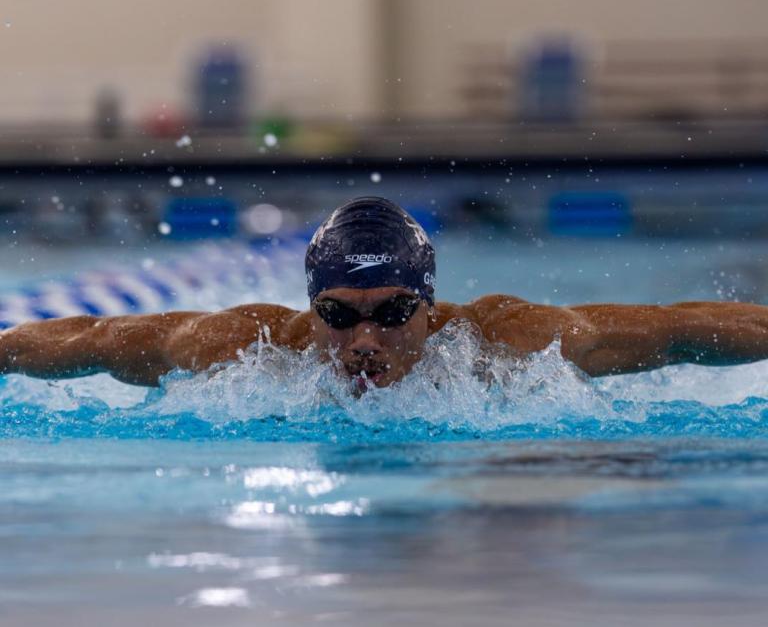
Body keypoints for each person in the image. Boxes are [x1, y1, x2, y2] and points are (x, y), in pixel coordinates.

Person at [1, 195, 768, 389]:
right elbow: (95, 338)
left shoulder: (511, 341)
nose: (363, 341)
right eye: (338, 315)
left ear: (430, 307)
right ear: (311, 309)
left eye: (394, 312)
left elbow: (679, 328)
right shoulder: (249, 348)